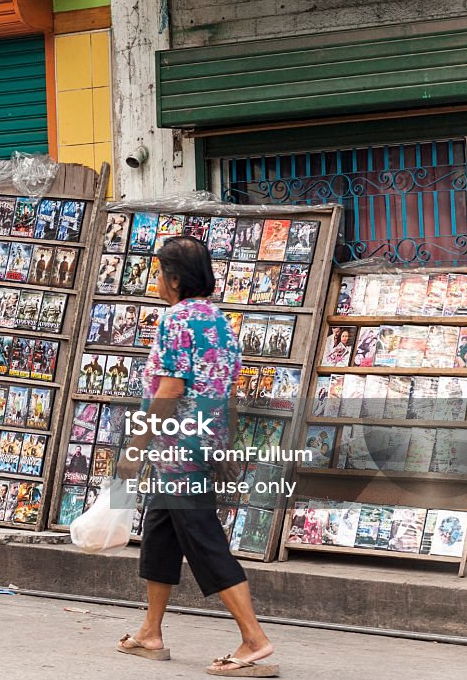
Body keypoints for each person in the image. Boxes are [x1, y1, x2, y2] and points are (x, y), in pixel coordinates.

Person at [114, 236, 277, 677]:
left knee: (204, 539)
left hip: (180, 449)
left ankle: (254, 640)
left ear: (174, 278)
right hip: (203, 443)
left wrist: (135, 448)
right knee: (160, 534)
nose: (155, 281)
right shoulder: (221, 321)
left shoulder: (175, 320)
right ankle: (151, 632)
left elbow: (170, 388)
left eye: (158, 272)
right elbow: (227, 390)